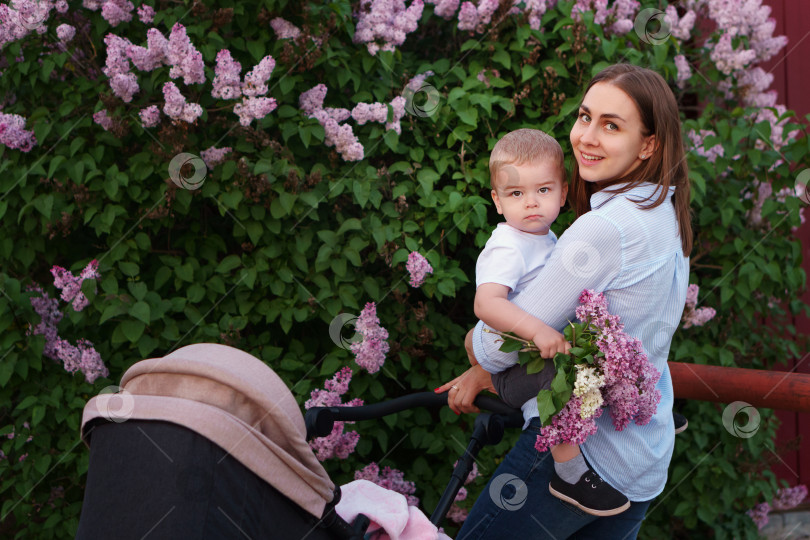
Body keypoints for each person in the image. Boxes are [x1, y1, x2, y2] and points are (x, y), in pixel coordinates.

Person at [437, 63, 691, 539]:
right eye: (585, 116)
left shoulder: (604, 229)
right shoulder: (665, 211)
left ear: (649, 145)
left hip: (581, 456)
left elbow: (499, 346)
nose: (587, 137)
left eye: (611, 126)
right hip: (642, 462)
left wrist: (477, 348)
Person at [472, 128, 630, 516]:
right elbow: (486, 304)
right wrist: (537, 329)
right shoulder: (507, 245)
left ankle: (639, 402)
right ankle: (569, 472)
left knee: (599, 353)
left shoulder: (548, 238)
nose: (531, 204)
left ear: (562, 193)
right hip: (518, 370)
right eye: (515, 194)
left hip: (536, 360)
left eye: (543, 191)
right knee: (569, 375)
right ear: (497, 200)